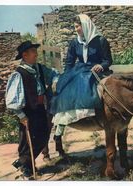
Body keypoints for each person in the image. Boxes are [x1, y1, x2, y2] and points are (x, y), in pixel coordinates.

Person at [50, 14, 113, 155]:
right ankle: (62, 125)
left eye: (78, 26)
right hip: (79, 70)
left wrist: (101, 66)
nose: (76, 29)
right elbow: (69, 62)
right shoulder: (74, 43)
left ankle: (96, 116)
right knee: (66, 89)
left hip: (96, 71)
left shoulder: (101, 41)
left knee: (94, 87)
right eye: (75, 27)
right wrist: (66, 76)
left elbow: (108, 60)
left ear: (85, 26)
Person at [5, 40, 59, 179]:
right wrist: (21, 115)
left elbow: (54, 73)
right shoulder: (19, 74)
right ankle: (26, 169)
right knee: (26, 141)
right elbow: (12, 100)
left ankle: (22, 162)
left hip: (40, 108)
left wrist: (54, 82)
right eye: (33, 52)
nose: (36, 54)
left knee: (43, 137)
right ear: (25, 55)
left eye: (36, 51)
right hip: (27, 112)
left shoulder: (39, 68)